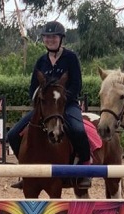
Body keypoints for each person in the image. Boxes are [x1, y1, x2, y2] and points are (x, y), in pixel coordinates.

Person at [7, 21, 92, 189]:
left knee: (78, 130)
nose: (50, 40)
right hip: (45, 108)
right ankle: (27, 173)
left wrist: (61, 100)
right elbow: (33, 87)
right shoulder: (41, 61)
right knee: (12, 134)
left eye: (53, 37)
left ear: (61, 39)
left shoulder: (71, 58)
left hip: (67, 105)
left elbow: (76, 84)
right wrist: (41, 100)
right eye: (47, 37)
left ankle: (83, 172)